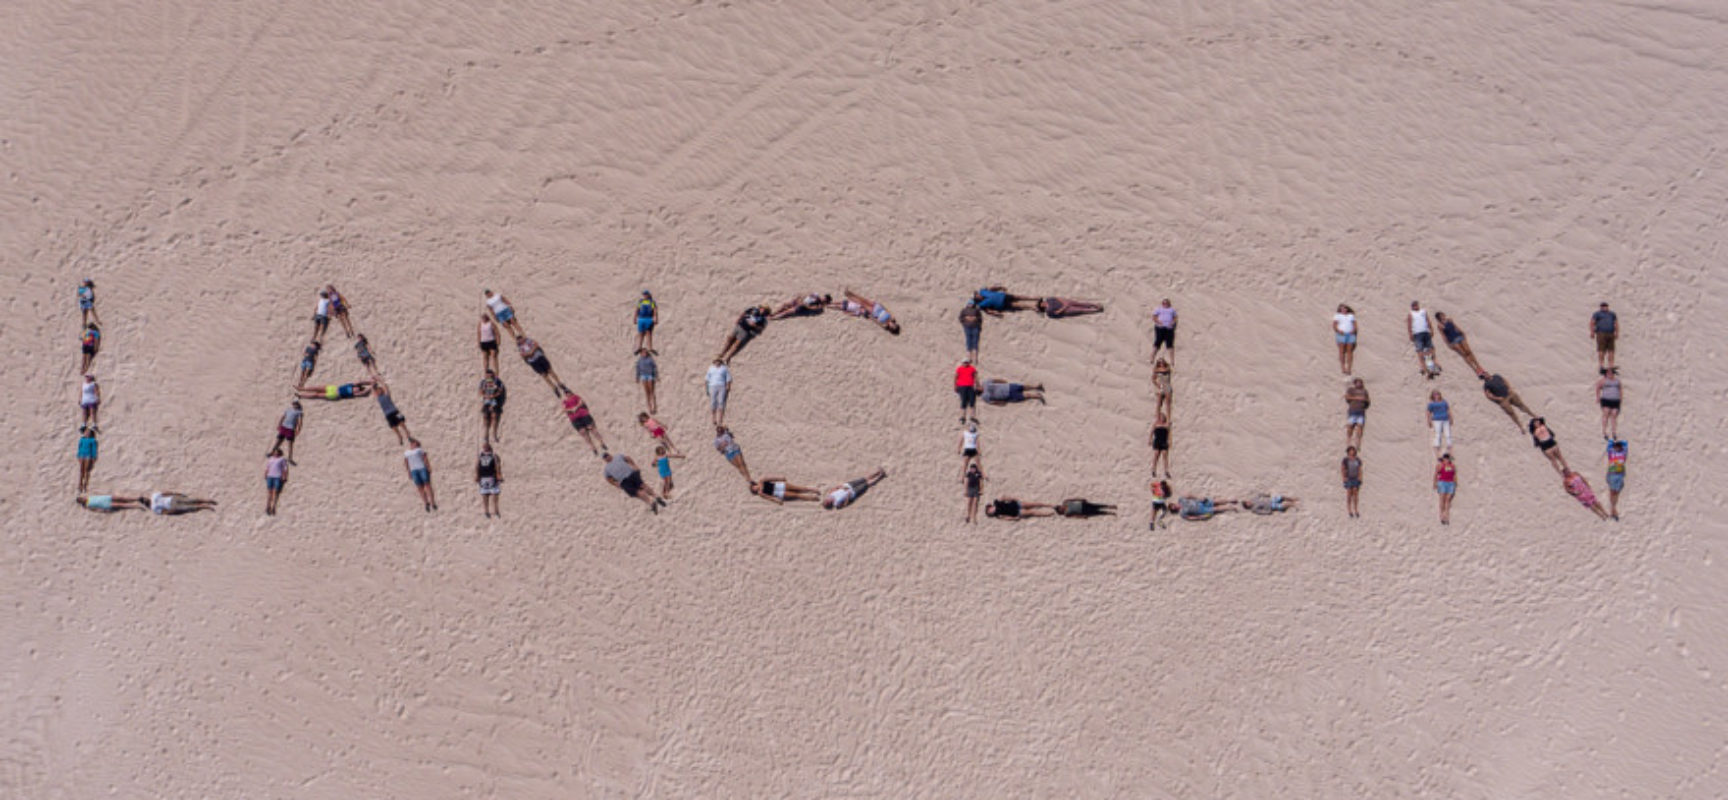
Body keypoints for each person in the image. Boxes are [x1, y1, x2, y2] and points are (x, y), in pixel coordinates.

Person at [558, 384, 607, 455]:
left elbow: (581, 402)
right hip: (575, 419)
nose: (568, 394)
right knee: (584, 433)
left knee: (593, 429)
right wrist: (571, 409)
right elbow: (564, 409)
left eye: (568, 392)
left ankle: (601, 442)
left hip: (583, 415)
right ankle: (593, 447)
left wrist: (576, 407)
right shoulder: (565, 402)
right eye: (566, 393)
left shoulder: (576, 397)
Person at [823, 468, 888, 510]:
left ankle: (878, 472)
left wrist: (842, 487)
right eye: (827, 502)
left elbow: (835, 488)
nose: (827, 500)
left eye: (826, 500)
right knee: (867, 484)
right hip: (853, 492)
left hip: (848, 485)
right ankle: (881, 476)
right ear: (829, 504)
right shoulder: (836, 504)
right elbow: (845, 504)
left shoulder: (830, 494)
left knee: (864, 479)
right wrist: (848, 496)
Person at [403, 438, 437, 511]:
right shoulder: (407, 452)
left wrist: (428, 466)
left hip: (422, 468)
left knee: (427, 485)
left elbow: (425, 458)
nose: (412, 444)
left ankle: (432, 502)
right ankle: (426, 503)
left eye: (413, 442)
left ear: (417, 443)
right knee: (420, 487)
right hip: (413, 470)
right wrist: (408, 471)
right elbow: (406, 462)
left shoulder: (419, 450)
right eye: (411, 443)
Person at [1408, 300, 1437, 378]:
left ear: (1418, 305)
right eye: (1413, 306)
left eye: (1416, 305)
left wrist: (1431, 329)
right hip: (1417, 334)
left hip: (1426, 332)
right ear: (1412, 307)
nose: (1415, 306)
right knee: (1420, 350)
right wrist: (1410, 334)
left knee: (1430, 349)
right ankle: (1424, 367)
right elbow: (1409, 324)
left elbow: (1428, 320)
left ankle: (1434, 365)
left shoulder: (1423, 311)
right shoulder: (1411, 314)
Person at [375, 381, 411, 445]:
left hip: (394, 410)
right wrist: (373, 384)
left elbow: (385, 386)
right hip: (387, 414)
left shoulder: (386, 395)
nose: (379, 391)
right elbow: (373, 390)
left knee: (401, 422)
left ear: (382, 390)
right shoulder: (378, 398)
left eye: (380, 390)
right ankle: (399, 436)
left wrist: (379, 380)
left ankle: (406, 432)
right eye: (378, 391)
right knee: (393, 426)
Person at [476, 443, 502, 518]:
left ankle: (496, 511)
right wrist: (477, 475)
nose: (485, 448)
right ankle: (486, 511)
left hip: (491, 477)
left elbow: (497, 465)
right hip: (484, 477)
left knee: (494, 495)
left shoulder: (493, 455)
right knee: (485, 495)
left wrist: (498, 474)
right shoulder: (480, 455)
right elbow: (477, 466)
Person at [752, 476, 823, 504]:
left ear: (755, 484)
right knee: (797, 495)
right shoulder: (760, 493)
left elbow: (771, 478)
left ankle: (813, 489)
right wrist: (776, 501)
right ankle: (812, 498)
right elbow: (769, 497)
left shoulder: (761, 481)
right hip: (777, 493)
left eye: (754, 487)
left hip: (778, 486)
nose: (755, 489)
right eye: (754, 490)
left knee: (798, 488)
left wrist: (780, 478)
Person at [1595, 367, 1622, 440]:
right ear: (1606, 373)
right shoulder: (1603, 380)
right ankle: (1604, 432)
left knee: (1614, 415)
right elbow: (1597, 387)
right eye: (1608, 373)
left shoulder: (1617, 381)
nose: (1610, 374)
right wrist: (1597, 397)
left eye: (1611, 373)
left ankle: (1614, 432)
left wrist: (1620, 398)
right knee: (1606, 415)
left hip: (1615, 400)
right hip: (1606, 400)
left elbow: (1620, 389)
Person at [1604, 439, 1627, 521]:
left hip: (1620, 475)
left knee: (1616, 492)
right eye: (1616, 446)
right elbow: (1610, 443)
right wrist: (1614, 442)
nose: (1617, 447)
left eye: (1619, 446)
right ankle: (1613, 510)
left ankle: (1613, 509)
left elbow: (1625, 443)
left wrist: (1618, 441)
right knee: (1613, 492)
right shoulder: (1611, 453)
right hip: (1612, 474)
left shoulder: (1623, 453)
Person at [1591, 302, 1618, 372]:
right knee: (1601, 350)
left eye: (1605, 306)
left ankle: (1611, 365)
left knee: (1611, 350)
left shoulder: (1612, 314)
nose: (1604, 307)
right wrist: (1592, 332)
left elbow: (1615, 323)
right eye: (1602, 306)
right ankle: (1601, 365)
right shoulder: (1597, 314)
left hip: (1610, 333)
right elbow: (1592, 322)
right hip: (1601, 333)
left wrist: (1617, 332)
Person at [479, 370, 505, 442]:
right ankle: (486, 435)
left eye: (491, 376)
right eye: (487, 376)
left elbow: (500, 391)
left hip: (495, 401)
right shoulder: (483, 382)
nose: (489, 377)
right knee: (485, 417)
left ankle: (494, 434)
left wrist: (494, 394)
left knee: (494, 417)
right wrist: (486, 395)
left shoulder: (497, 382)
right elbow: (480, 392)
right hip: (486, 401)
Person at [973, 286, 1037, 315]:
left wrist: (1000, 287)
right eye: (978, 297)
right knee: (1018, 305)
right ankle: (1031, 307)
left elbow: (992, 288)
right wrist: (996, 313)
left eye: (978, 295)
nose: (979, 296)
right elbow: (988, 311)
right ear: (978, 300)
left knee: (1019, 297)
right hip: (1002, 304)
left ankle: (1033, 298)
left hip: (1004, 296)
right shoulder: (982, 305)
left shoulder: (983, 291)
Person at [1344, 378, 1369, 449]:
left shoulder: (1364, 391)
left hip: (1361, 411)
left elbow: (1367, 400)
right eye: (1357, 383)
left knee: (1360, 426)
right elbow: (1347, 397)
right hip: (1353, 410)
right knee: (1350, 426)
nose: (1359, 384)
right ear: (1355, 383)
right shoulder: (1351, 390)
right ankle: (1349, 440)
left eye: (1360, 383)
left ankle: (1358, 442)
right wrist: (1357, 398)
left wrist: (1364, 399)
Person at [1332, 304, 1357, 375]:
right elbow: (1334, 324)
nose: (1344, 310)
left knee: (1350, 352)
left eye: (1345, 308)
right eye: (1342, 309)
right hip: (1341, 334)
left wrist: (1354, 330)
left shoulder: (1351, 315)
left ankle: (1349, 368)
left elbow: (1354, 324)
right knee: (1341, 351)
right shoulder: (1337, 315)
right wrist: (1338, 330)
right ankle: (1343, 367)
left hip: (1350, 334)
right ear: (1340, 310)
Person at [1426, 389, 1452, 457]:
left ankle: (1449, 448)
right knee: (1438, 434)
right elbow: (1428, 412)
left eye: (1438, 394)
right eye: (1435, 394)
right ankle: (1437, 448)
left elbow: (1448, 410)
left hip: (1445, 419)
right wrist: (1429, 421)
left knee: (1448, 434)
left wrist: (1451, 418)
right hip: (1437, 420)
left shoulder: (1444, 402)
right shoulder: (1431, 404)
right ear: (1433, 396)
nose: (1437, 395)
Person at [1152, 299, 1177, 366]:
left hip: (1169, 328)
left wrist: (1172, 322)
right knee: (1157, 342)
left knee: (1170, 344)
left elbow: (1175, 317)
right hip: (1160, 327)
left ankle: (1172, 360)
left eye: (1166, 303)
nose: (1165, 304)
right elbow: (1154, 317)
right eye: (1164, 303)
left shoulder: (1172, 310)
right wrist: (1158, 321)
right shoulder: (1159, 309)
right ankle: (1152, 357)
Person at [705, 359, 731, 426]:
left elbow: (728, 378)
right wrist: (707, 388)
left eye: (719, 361)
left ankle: (720, 419)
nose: (717, 362)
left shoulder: (724, 368)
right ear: (714, 361)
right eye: (716, 361)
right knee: (713, 402)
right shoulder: (711, 368)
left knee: (721, 402)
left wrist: (728, 386)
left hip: (722, 386)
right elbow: (707, 379)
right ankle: (714, 417)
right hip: (712, 386)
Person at [984, 496, 1056, 520]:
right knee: (1032, 512)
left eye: (989, 510)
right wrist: (1014, 518)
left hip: (1016, 504)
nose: (991, 511)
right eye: (990, 513)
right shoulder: (997, 515)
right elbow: (1006, 517)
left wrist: (1014, 498)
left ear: (990, 507)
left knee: (1034, 504)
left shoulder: (997, 502)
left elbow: (1005, 497)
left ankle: (1049, 505)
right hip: (1016, 512)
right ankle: (1048, 514)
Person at [264, 448, 288, 516]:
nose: (276, 453)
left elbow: (285, 468)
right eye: (275, 452)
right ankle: (267, 506)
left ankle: (273, 507)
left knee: (275, 493)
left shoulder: (282, 459)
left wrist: (284, 476)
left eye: (277, 452)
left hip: (277, 476)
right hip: (270, 476)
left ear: (279, 453)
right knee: (269, 493)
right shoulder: (270, 459)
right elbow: (267, 467)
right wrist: (266, 473)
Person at [1434, 454, 1457, 525]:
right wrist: (1435, 483)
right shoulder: (1440, 465)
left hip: (1450, 483)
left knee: (1448, 500)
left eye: (1448, 459)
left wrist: (1455, 483)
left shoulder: (1452, 466)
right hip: (1442, 482)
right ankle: (1441, 516)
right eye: (1445, 459)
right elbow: (1436, 474)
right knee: (1442, 499)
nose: (1447, 460)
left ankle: (1446, 516)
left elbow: (1454, 475)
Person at [149, 491, 218, 515]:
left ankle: (206, 504)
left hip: (172, 502)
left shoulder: (154, 500)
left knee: (190, 504)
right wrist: (176, 493)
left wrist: (176, 493)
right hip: (172, 502)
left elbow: (165, 493)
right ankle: (206, 504)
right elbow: (164, 512)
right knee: (190, 504)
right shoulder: (153, 501)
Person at [955, 359, 979, 424]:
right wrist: (955, 385)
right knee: (963, 402)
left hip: (970, 387)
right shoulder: (959, 369)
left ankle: (972, 417)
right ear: (962, 363)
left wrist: (978, 385)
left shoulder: (972, 368)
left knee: (972, 402)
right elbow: (956, 377)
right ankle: (963, 417)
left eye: (966, 362)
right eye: (964, 362)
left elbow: (976, 377)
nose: (965, 363)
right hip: (962, 387)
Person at [635, 348, 659, 414]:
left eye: (645, 352)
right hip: (643, 376)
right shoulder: (640, 360)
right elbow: (638, 369)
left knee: (651, 391)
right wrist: (637, 377)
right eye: (643, 353)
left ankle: (654, 407)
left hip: (649, 375)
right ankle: (650, 408)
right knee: (647, 393)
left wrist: (656, 376)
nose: (644, 354)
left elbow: (654, 368)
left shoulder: (650, 360)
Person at [76, 425, 98, 493]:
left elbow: (94, 449)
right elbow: (79, 447)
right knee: (81, 470)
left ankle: (85, 484)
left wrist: (94, 457)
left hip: (88, 455)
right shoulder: (82, 439)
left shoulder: (93, 440)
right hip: (82, 455)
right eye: (86, 432)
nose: (87, 433)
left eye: (88, 432)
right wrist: (78, 455)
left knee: (86, 471)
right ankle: (80, 484)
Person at [1341, 446, 1362, 519]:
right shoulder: (1345, 460)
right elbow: (1343, 469)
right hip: (1349, 478)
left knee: (1355, 494)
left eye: (1353, 450)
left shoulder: (1357, 460)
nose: (1352, 452)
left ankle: (1356, 509)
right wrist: (1344, 478)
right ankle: (1349, 509)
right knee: (1349, 493)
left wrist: (1360, 477)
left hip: (1355, 478)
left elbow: (1359, 469)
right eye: (1350, 450)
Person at [1149, 411, 1172, 478]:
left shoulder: (1166, 425)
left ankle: (1166, 470)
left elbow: (1169, 433)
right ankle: (1153, 469)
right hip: (1157, 441)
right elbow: (1152, 432)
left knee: (1165, 456)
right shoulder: (1156, 424)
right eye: (1161, 417)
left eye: (1163, 417)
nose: (1162, 418)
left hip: (1164, 441)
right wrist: (1150, 439)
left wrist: (1170, 441)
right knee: (1156, 455)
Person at [295, 381, 373, 400]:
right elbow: (361, 382)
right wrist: (370, 382)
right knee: (316, 388)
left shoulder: (354, 394)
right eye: (357, 388)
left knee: (317, 395)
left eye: (358, 390)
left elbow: (364, 393)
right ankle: (301, 389)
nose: (356, 390)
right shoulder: (352, 385)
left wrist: (371, 387)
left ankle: (301, 395)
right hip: (334, 388)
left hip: (335, 395)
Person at [1037, 297, 1104, 318]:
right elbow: (1058, 313)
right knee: (1081, 310)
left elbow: (1057, 298)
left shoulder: (1049, 299)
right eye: (1041, 305)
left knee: (1081, 304)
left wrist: (1064, 302)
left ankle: (1096, 305)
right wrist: (1064, 307)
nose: (1043, 303)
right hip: (1066, 310)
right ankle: (1096, 310)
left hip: (1066, 302)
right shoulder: (1048, 311)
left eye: (1041, 302)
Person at [78, 493, 146, 512]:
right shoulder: (87, 505)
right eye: (82, 500)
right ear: (81, 502)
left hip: (106, 498)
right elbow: (96, 510)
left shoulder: (88, 497)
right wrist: (104, 510)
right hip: (106, 505)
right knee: (122, 505)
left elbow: (97, 495)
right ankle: (137, 506)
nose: (83, 499)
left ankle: (138, 498)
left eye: (82, 498)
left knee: (122, 498)